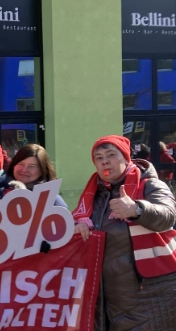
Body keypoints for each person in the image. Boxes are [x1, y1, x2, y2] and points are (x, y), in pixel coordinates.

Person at [72, 135, 176, 331]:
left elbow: (168, 216)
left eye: (111, 155)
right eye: (99, 157)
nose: (105, 161)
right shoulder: (93, 194)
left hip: (148, 295)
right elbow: (76, 225)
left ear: (126, 158)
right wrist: (76, 227)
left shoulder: (150, 184)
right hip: (106, 296)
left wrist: (137, 210)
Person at [7, 144, 68, 208]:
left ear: (42, 170)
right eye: (21, 164)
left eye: (31, 166)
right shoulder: (1, 191)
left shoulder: (52, 201)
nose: (24, 170)